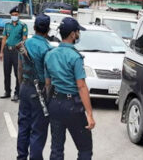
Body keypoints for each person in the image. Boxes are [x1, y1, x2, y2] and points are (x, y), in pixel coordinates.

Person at [44, 17, 95, 160]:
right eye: (78, 32)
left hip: (55, 103)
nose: (79, 35)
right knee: (85, 148)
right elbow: (81, 86)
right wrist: (89, 114)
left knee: (56, 149)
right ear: (73, 34)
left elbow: (48, 83)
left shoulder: (50, 54)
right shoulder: (75, 57)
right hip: (72, 106)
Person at [16, 14, 53, 160]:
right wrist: (48, 96)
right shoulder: (47, 49)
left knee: (24, 126)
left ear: (34, 27)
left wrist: (22, 87)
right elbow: (48, 78)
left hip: (25, 87)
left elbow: (19, 68)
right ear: (48, 30)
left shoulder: (24, 44)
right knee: (38, 130)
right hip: (40, 91)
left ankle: (21, 157)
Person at [0, 6, 28, 101]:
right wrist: (1, 52)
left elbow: (24, 40)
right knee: (6, 72)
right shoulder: (7, 25)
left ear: (18, 15)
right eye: (12, 15)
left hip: (17, 52)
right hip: (7, 51)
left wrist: (23, 53)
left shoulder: (23, 26)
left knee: (17, 73)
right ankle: (7, 91)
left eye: (16, 15)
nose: (14, 16)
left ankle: (17, 93)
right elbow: (4, 38)